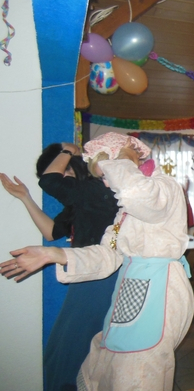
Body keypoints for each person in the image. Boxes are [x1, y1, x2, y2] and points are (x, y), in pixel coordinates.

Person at [1, 133, 194, 390]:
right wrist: (54, 254)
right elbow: (107, 255)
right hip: (130, 292)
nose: (105, 183)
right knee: (112, 367)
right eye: (102, 176)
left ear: (124, 162)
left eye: (106, 174)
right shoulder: (124, 213)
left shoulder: (164, 188)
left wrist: (124, 157)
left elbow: (138, 195)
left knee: (138, 373)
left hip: (159, 293)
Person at [0, 142, 119, 391]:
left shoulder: (94, 190)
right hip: (87, 275)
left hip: (101, 277)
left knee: (70, 351)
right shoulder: (84, 197)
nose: (61, 178)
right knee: (64, 350)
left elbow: (49, 181)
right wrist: (25, 197)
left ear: (74, 165)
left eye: (65, 170)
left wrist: (68, 149)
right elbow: (52, 232)